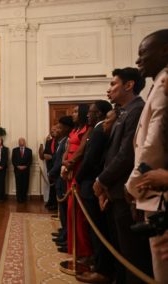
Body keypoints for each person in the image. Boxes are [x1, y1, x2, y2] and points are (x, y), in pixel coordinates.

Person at [93, 67, 152, 283]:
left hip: (125, 193)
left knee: (132, 255)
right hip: (114, 191)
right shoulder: (125, 111)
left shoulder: (137, 110)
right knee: (120, 249)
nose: (109, 88)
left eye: (113, 84)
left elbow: (126, 155)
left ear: (129, 85)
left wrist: (101, 180)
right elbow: (113, 152)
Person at [125, 29, 168, 283]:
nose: (139, 60)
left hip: (156, 189)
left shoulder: (164, 84)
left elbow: (152, 145)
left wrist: (133, 186)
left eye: (143, 54)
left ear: (164, 50)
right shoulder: (158, 84)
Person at [75, 100, 114, 283]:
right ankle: (96, 262)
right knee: (93, 228)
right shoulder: (98, 129)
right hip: (90, 184)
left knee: (97, 229)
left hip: (91, 185)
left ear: (99, 113)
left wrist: (78, 178)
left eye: (91, 112)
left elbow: (90, 161)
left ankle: (101, 269)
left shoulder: (99, 131)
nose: (87, 115)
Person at [62, 104, 93, 259]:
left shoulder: (87, 128)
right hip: (69, 168)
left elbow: (82, 149)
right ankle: (72, 245)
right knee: (70, 210)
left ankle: (84, 250)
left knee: (77, 210)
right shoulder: (74, 129)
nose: (72, 114)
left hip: (77, 168)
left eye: (75, 111)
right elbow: (67, 149)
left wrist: (70, 164)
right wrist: (64, 163)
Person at [48, 116, 74, 253]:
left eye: (59, 127)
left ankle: (66, 236)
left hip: (62, 179)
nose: (56, 130)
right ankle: (64, 233)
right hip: (59, 179)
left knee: (65, 210)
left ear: (66, 128)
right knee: (62, 211)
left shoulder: (66, 141)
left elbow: (59, 163)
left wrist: (51, 172)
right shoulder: (61, 141)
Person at [40, 126, 57, 210]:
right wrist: (44, 155)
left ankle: (55, 203)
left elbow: (58, 154)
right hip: (49, 166)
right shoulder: (48, 141)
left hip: (56, 165)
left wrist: (51, 157)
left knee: (56, 185)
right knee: (51, 184)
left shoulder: (60, 141)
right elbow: (45, 152)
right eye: (51, 130)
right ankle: (51, 201)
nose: (52, 131)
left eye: (54, 130)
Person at [12, 137, 32, 203]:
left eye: (22, 141)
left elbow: (30, 161)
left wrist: (24, 166)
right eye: (20, 141)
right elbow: (13, 160)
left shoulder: (29, 150)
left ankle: (24, 198)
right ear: (18, 143)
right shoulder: (14, 150)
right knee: (18, 184)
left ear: (24, 142)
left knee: (25, 184)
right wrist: (18, 166)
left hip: (26, 171)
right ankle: (19, 198)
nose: (21, 142)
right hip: (17, 170)